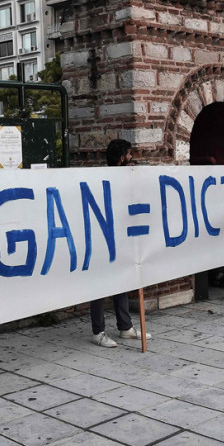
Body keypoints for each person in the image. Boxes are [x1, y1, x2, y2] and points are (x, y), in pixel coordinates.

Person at [89, 139, 150, 348]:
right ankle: (98, 331)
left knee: (122, 281)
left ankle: (125, 327)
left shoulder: (126, 176)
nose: (132, 158)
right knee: (98, 285)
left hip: (120, 239)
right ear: (122, 157)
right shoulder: (101, 179)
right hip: (103, 240)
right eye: (129, 154)